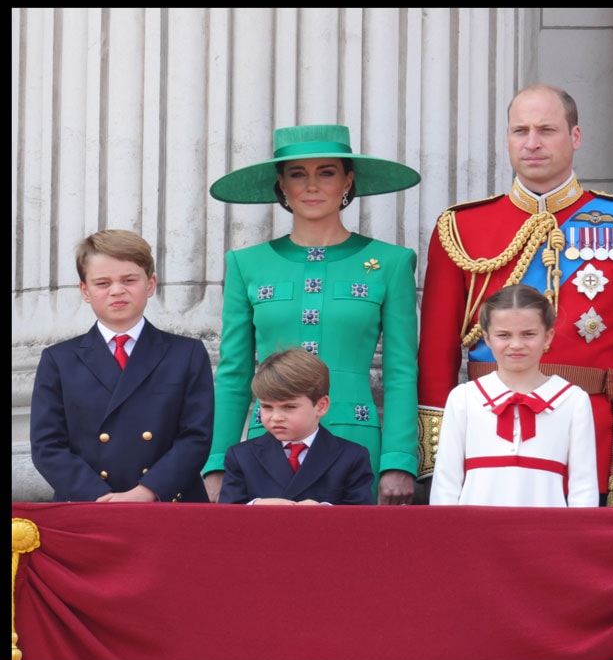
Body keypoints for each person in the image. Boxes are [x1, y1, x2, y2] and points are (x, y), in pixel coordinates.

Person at [417, 83, 613, 507]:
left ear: (575, 137)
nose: (532, 143)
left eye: (547, 130)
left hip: (592, 433)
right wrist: (435, 454)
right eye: (520, 131)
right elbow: (435, 356)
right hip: (483, 431)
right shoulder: (461, 228)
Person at [204, 124, 421, 505]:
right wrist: (219, 459)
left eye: (327, 172)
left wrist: (398, 460)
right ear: (281, 185)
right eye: (297, 174)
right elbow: (234, 371)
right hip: (267, 443)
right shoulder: (246, 264)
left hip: (356, 440)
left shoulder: (390, 262)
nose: (312, 186)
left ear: (348, 181)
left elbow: (401, 369)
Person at [30, 230, 214, 502]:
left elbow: (196, 437)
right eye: (103, 283)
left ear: (150, 284)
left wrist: (147, 492)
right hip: (88, 504)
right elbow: (47, 446)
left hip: (169, 501)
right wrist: (98, 496)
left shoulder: (186, 353)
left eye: (129, 280)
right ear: (85, 291)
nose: (117, 290)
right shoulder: (58, 359)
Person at [430, 285, 599, 507]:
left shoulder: (573, 400)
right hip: (474, 534)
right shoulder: (464, 398)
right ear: (487, 338)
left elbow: (584, 487)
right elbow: (446, 483)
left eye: (528, 334)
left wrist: (575, 540)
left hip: (547, 535)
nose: (516, 345)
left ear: (547, 337)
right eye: (504, 335)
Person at [218, 347, 374, 505]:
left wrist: (327, 512)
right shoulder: (241, 457)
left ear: (321, 406)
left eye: (289, 407)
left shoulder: (352, 457)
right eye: (267, 407)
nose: (276, 417)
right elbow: (225, 519)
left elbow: (362, 521)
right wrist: (255, 507)